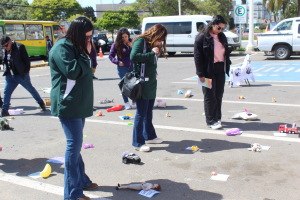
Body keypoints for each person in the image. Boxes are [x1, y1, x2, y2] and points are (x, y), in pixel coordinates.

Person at [49, 17, 98, 200]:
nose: (89, 41)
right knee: (74, 146)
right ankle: (72, 194)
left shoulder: (77, 46)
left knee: (76, 146)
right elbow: (73, 71)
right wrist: (86, 55)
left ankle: (82, 180)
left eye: (90, 37)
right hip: (68, 104)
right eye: (86, 37)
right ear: (77, 33)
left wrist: (86, 54)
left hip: (79, 104)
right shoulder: (61, 47)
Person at [130, 24, 168, 152]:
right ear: (154, 34)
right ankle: (138, 142)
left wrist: (154, 71)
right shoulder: (141, 41)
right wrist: (151, 53)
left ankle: (149, 136)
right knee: (140, 113)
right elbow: (133, 57)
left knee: (148, 111)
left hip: (151, 82)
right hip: (142, 83)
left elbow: (151, 62)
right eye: (160, 39)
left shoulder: (152, 44)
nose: (161, 42)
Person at [194, 15, 231, 130]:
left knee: (218, 94)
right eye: (219, 28)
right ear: (212, 25)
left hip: (220, 68)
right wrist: (200, 74)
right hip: (207, 70)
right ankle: (211, 120)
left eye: (223, 28)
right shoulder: (201, 38)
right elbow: (198, 57)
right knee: (209, 96)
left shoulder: (222, 36)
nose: (220, 30)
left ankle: (217, 118)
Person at [0, 35, 46, 117]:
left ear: (10, 41)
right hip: (10, 75)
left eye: (6, 45)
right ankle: (5, 110)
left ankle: (41, 103)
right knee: (7, 92)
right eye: (3, 46)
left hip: (20, 74)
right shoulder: (5, 49)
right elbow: (4, 60)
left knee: (30, 89)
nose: (5, 47)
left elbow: (27, 60)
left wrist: (25, 72)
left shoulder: (19, 47)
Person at [109, 27, 136, 110]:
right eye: (122, 37)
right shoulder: (116, 44)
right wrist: (117, 62)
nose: (124, 38)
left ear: (128, 36)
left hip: (133, 66)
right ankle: (126, 102)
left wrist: (132, 46)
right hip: (122, 68)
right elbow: (111, 56)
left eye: (126, 36)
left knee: (134, 85)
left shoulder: (133, 42)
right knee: (124, 85)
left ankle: (134, 102)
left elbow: (139, 52)